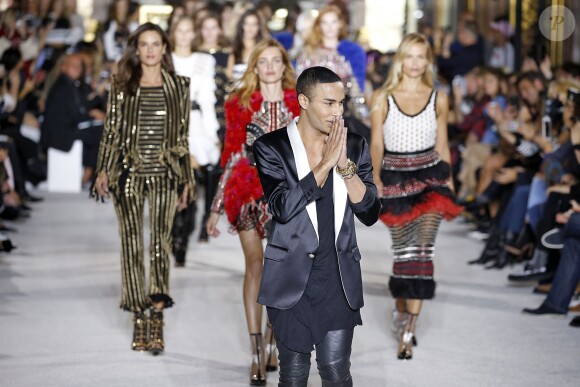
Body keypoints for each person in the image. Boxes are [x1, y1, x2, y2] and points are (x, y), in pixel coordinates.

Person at [253, 65, 380, 386]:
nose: (338, 112)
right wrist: (324, 165)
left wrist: (345, 167)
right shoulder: (271, 147)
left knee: (336, 372)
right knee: (293, 376)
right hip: (290, 278)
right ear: (304, 102)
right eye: (329, 103)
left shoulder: (355, 146)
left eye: (341, 103)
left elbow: (369, 212)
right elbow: (283, 208)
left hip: (338, 277)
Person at [92, 22, 194, 355]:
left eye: (156, 44)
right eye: (144, 44)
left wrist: (186, 180)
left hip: (165, 173)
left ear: (164, 48)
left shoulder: (179, 86)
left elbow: (181, 137)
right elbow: (111, 131)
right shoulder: (121, 85)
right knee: (132, 242)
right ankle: (139, 315)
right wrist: (103, 170)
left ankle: (157, 316)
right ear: (136, 49)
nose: (150, 50)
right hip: (128, 172)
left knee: (160, 244)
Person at [206, 38, 299, 385]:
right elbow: (231, 155)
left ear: (284, 65)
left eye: (276, 60)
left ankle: (274, 343)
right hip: (245, 190)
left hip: (286, 195)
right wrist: (215, 208)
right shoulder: (239, 104)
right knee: (256, 265)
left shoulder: (299, 104)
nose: (271, 66)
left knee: (279, 270)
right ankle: (256, 351)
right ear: (255, 66)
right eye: (264, 61)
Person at [370, 33, 462, 360]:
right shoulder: (382, 97)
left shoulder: (439, 98)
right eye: (409, 56)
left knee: (423, 250)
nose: (414, 63)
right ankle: (401, 307)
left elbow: (443, 144)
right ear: (400, 60)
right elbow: (377, 144)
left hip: (430, 178)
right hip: (395, 178)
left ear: (428, 61)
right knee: (404, 253)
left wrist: (448, 181)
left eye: (421, 56)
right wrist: (376, 177)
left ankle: (409, 328)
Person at [169, 16, 219, 263]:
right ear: (174, 33)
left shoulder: (204, 60)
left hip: (196, 126)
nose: (185, 35)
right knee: (174, 183)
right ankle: (176, 230)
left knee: (190, 182)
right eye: (181, 30)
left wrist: (213, 133)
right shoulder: (165, 59)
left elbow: (208, 99)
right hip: (170, 126)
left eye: (189, 31)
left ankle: (183, 234)